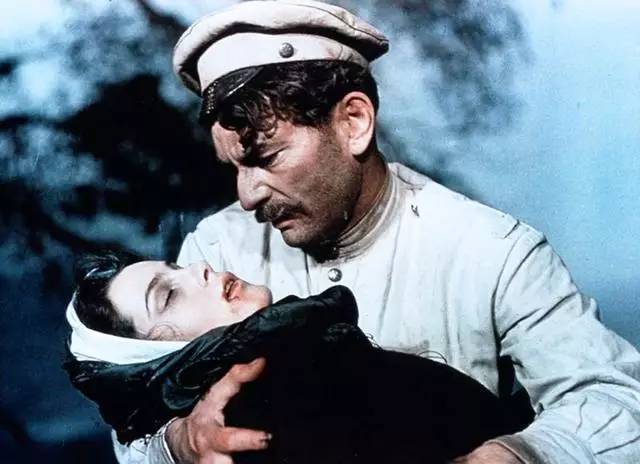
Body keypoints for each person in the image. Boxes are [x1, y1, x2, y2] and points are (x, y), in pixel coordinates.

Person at [113, 1, 640, 463]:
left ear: (354, 122)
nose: (247, 196)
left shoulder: (497, 253)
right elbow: (132, 419)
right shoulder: (215, 248)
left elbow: (617, 401)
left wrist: (512, 455)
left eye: (266, 158)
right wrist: (178, 442)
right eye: (234, 168)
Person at [64, 252, 525, 464]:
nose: (199, 267)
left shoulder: (307, 357)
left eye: (176, 268)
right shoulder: (253, 423)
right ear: (156, 360)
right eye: (167, 296)